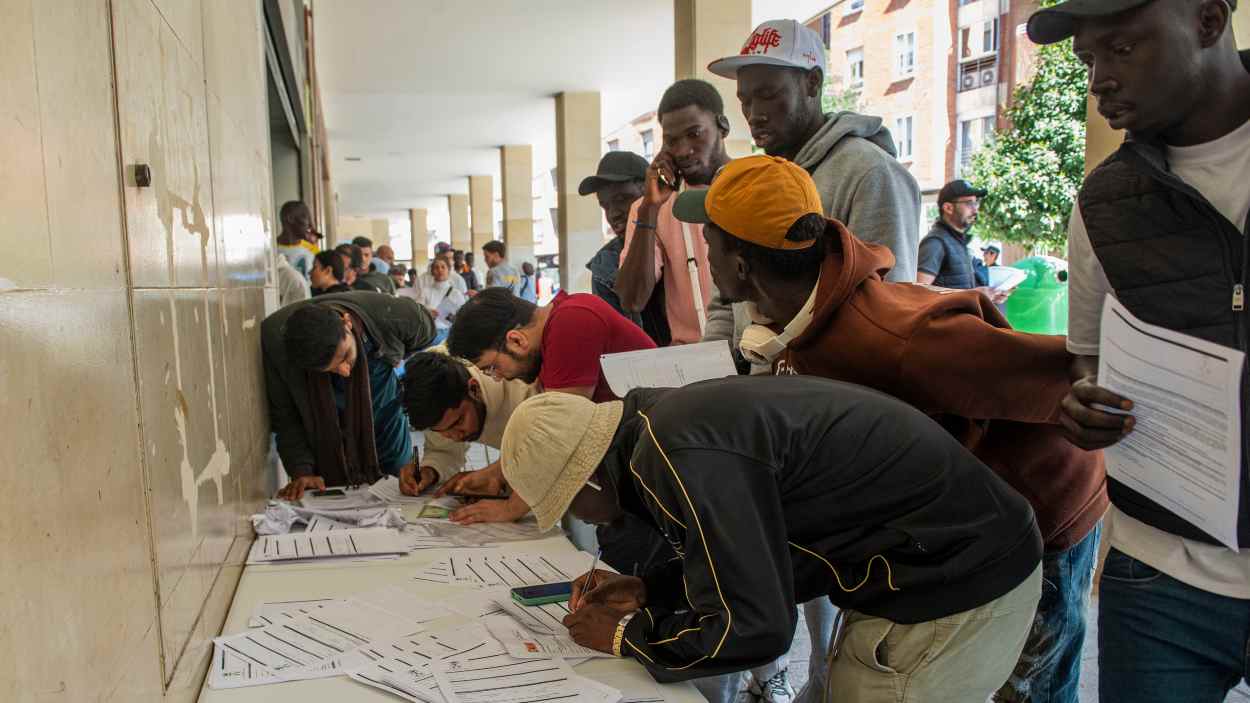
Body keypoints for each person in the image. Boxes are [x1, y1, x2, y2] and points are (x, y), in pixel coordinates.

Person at [676, 154, 1107, 703]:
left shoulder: (895, 338)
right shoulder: (796, 329)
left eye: (709, 241)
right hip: (963, 524)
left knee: (1030, 688)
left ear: (740, 266)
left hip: (1045, 509)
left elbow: (1062, 377)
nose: (704, 254)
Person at [497, 378, 1041, 702]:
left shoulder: (677, 456)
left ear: (590, 481)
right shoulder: (659, 425)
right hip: (934, 556)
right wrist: (651, 589)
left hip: (960, 576)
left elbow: (754, 628)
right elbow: (748, 557)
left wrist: (626, 637)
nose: (583, 519)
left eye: (570, 505)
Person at [1029, 1, 1250, 700]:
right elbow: (1089, 357)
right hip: (1158, 579)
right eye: (1088, 59)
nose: (1099, 78)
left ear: (1207, 21)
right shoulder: (1103, 202)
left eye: (1122, 48)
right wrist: (1086, 401)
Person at [709, 18, 920, 282]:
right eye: (745, 100)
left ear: (813, 82)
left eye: (768, 95)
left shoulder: (872, 174)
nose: (754, 114)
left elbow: (886, 297)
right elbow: (735, 293)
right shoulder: (762, 178)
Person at [261, 291, 438, 501]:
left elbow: (428, 333)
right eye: (332, 369)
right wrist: (302, 470)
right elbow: (286, 417)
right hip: (327, 427)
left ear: (347, 322)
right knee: (334, 493)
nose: (345, 372)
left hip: (385, 411)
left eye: (345, 356)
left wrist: (396, 355)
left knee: (401, 481)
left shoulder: (393, 316)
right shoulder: (277, 346)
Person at [615, 79, 722, 345]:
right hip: (695, 357)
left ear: (722, 126)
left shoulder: (755, 183)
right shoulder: (650, 207)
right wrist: (650, 209)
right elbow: (632, 299)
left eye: (694, 134)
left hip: (755, 352)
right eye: (672, 141)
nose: (683, 150)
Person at [447, 287, 655, 401]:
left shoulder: (570, 321)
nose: (499, 377)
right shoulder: (554, 328)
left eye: (493, 367)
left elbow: (561, 431)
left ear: (516, 341)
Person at [580, 150, 672, 346]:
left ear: (653, 192)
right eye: (605, 206)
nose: (613, 214)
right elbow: (616, 343)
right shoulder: (604, 264)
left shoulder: (682, 237)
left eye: (622, 199)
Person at [917, 180, 1009, 304]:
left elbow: (962, 290)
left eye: (976, 203)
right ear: (948, 208)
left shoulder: (957, 241)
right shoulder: (935, 243)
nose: (975, 210)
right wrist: (971, 295)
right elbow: (918, 293)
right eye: (969, 203)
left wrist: (989, 296)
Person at [403, 258, 466, 345]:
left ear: (448, 271)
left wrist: (451, 317)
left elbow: (463, 318)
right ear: (432, 272)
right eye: (436, 267)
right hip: (429, 332)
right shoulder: (425, 291)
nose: (440, 270)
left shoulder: (456, 294)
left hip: (449, 333)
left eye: (443, 267)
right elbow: (416, 312)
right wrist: (427, 313)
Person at [276, 201, 316, 278]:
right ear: (290, 218)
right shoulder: (272, 249)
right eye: (306, 217)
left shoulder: (312, 249)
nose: (310, 225)